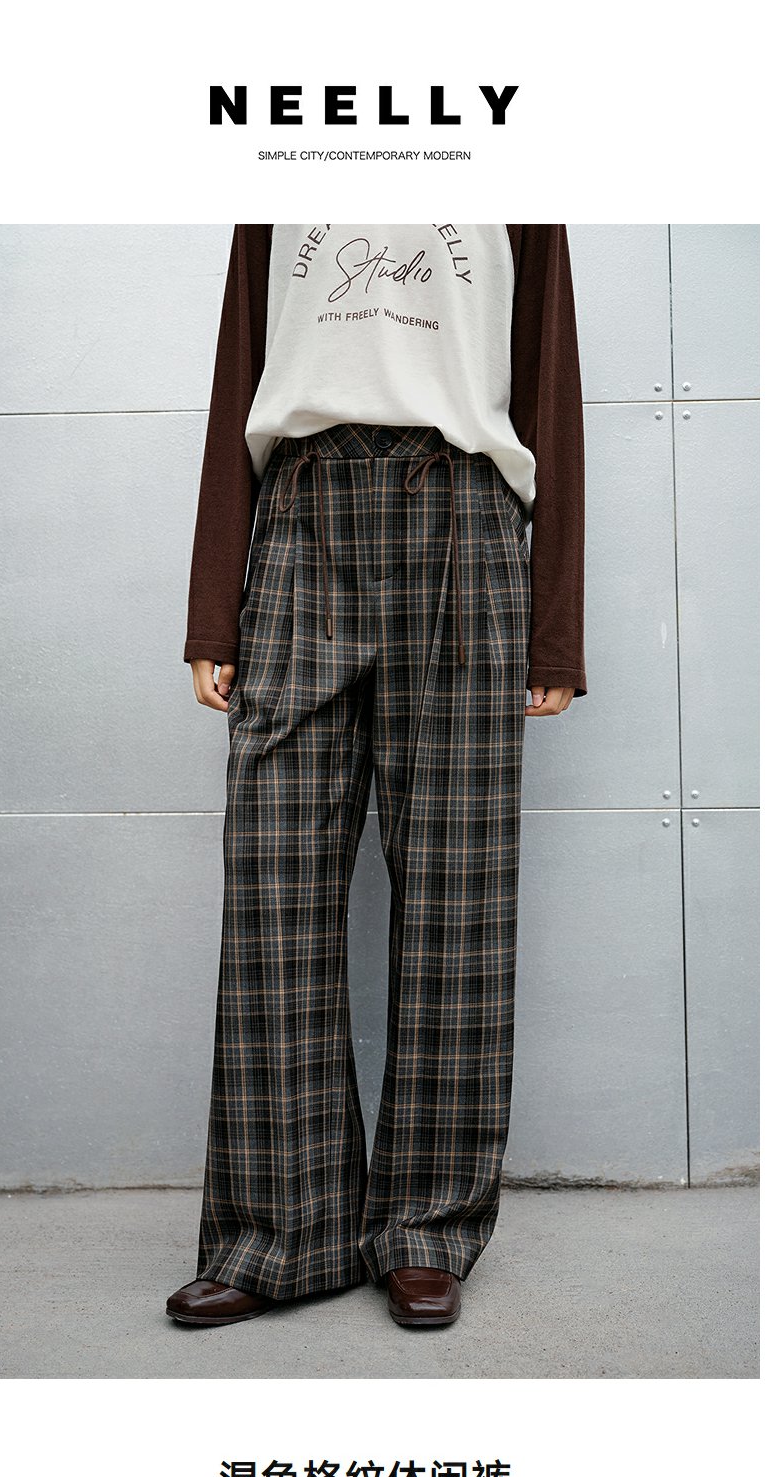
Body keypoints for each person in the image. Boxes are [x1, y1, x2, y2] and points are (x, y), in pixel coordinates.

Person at [166, 224, 587, 1330]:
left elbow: (549, 389)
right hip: (301, 514)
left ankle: (426, 1227)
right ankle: (278, 1232)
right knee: (273, 884)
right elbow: (237, 376)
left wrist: (554, 630)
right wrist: (213, 606)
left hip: (463, 517)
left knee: (455, 902)